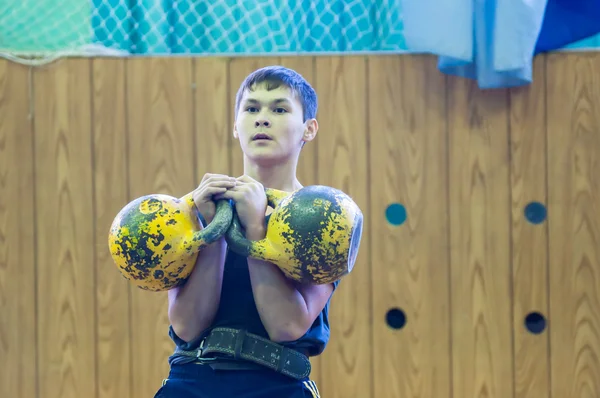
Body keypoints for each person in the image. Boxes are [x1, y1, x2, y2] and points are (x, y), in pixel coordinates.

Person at [153, 66, 339, 398]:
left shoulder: (325, 218)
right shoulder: (194, 211)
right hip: (190, 381)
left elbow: (287, 327)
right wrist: (214, 234)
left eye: (279, 109)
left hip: (276, 385)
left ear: (309, 129)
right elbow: (187, 325)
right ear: (236, 127)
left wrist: (254, 230)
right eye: (251, 108)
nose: (262, 118)